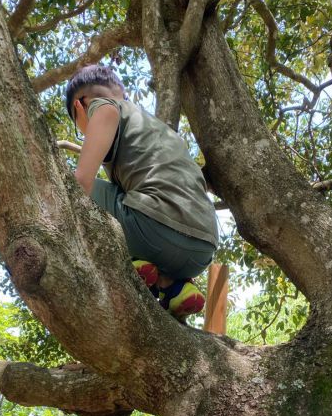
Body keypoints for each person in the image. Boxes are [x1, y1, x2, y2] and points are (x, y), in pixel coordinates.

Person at [65, 65, 219, 321]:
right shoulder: (153, 127)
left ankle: (140, 262)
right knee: (127, 194)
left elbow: (80, 184)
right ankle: (174, 286)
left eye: (78, 125)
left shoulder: (101, 108)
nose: (83, 133)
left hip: (155, 229)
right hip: (203, 249)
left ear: (81, 106)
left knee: (66, 184)